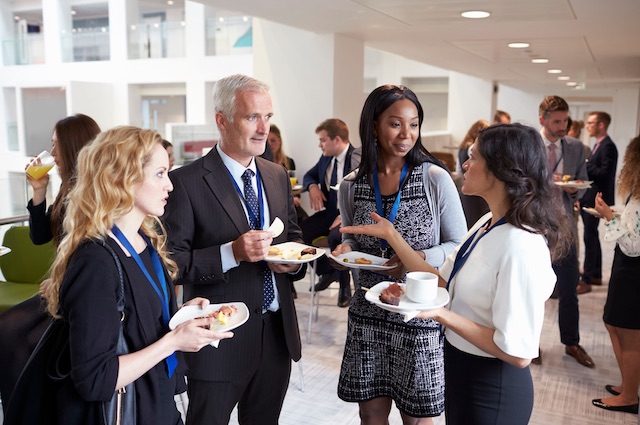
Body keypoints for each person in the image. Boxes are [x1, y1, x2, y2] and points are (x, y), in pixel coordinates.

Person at [341, 123, 571, 425]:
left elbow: (518, 352)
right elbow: (442, 281)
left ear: (500, 170)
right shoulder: (488, 223)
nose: (465, 164)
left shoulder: (521, 244)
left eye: (474, 157)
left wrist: (440, 314)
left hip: (492, 386)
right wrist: (393, 236)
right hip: (462, 371)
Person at [38, 126, 232, 424]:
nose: (170, 185)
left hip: (158, 402)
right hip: (129, 411)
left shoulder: (145, 241)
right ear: (122, 178)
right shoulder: (96, 262)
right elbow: (94, 379)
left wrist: (181, 316)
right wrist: (173, 342)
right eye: (159, 174)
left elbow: (138, 323)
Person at [162, 74, 305, 425]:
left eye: (268, 117)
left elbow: (295, 238)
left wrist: (291, 262)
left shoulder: (275, 175)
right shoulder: (185, 182)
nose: (263, 129)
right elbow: (172, 264)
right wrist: (231, 253)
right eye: (251, 117)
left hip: (275, 337)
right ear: (221, 120)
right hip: (218, 343)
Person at [334, 84, 466, 424]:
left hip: (417, 315)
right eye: (395, 123)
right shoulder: (351, 184)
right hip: (367, 313)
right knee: (370, 415)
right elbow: (353, 239)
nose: (406, 134)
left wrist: (415, 256)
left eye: (414, 123)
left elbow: (458, 247)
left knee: (418, 418)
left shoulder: (434, 179)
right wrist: (345, 251)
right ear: (374, 125)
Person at [0, 114, 101, 412]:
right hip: (61, 287)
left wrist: (60, 280)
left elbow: (91, 252)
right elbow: (40, 236)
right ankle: (22, 408)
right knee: (10, 333)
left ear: (72, 147)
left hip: (75, 292)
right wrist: (38, 191)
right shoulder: (70, 187)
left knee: (12, 333)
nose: (52, 153)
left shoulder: (93, 194)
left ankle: (24, 409)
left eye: (56, 146)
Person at [532, 95, 594, 367]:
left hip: (565, 226)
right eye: (556, 121)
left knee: (569, 288)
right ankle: (531, 344)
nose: (562, 126)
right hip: (533, 227)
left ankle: (571, 342)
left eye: (565, 120)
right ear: (542, 120)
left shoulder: (577, 147)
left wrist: (574, 188)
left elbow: (582, 182)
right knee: (532, 290)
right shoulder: (530, 145)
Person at [591, 135, 640, 415]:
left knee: (629, 332)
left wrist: (610, 217)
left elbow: (634, 245)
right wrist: (614, 215)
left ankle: (630, 395)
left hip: (633, 269)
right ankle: (628, 384)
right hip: (628, 268)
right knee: (613, 323)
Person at [301, 118, 361, 307]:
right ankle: (327, 271)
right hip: (329, 214)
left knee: (337, 238)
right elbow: (309, 175)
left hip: (348, 218)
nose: (320, 145)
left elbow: (364, 193)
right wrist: (312, 187)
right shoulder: (326, 158)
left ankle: (345, 289)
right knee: (300, 233)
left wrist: (345, 216)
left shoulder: (357, 157)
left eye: (322, 140)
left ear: (336, 139)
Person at [578, 112, 619, 293]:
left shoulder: (608, 146)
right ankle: (595, 275)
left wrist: (586, 164)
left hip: (597, 199)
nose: (587, 126)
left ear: (601, 125)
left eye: (591, 123)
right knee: (591, 236)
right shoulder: (599, 144)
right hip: (590, 197)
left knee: (590, 237)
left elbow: (604, 174)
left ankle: (587, 279)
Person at [268, 124, 308, 225]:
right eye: (266, 141)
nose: (270, 144)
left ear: (280, 141)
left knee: (303, 219)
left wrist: (296, 197)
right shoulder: (261, 163)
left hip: (289, 200)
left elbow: (293, 184)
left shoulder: (289, 162)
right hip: (272, 202)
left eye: (273, 140)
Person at [457, 119, 490, 228]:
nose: (465, 164)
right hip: (473, 192)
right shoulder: (473, 147)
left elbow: (458, 170)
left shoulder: (462, 147)